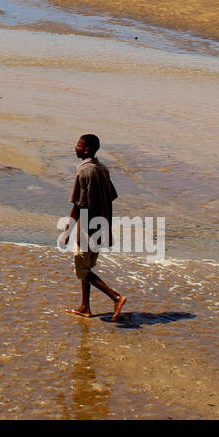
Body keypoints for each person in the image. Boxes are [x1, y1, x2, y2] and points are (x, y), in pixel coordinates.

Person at [60, 133, 127, 321]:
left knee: (82, 270)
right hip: (101, 226)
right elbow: (110, 200)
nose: (76, 148)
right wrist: (109, 230)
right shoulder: (103, 169)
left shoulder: (83, 171)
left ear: (86, 149)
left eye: (78, 145)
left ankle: (115, 297)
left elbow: (78, 206)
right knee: (87, 267)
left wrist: (67, 232)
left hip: (86, 229)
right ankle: (85, 306)